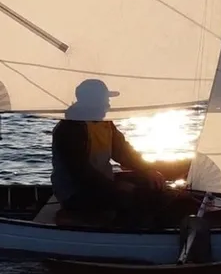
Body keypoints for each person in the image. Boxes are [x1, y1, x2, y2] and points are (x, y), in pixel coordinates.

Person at [50, 79, 168, 224]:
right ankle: (126, 231)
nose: (108, 105)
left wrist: (147, 169)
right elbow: (80, 173)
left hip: (101, 183)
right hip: (75, 192)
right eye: (105, 100)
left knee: (149, 183)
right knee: (130, 197)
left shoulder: (106, 124)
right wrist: (115, 187)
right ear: (91, 102)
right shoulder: (70, 129)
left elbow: (123, 152)